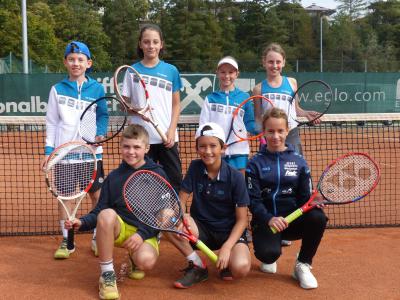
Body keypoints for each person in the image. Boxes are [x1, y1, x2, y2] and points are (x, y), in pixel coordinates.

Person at [65, 124, 165, 300]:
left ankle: (135, 260)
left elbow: (162, 215)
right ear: (121, 147)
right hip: (121, 228)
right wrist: (82, 222)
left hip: (146, 230)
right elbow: (99, 210)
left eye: (136, 147)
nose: (131, 152)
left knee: (146, 261)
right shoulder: (114, 177)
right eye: (126, 146)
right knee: (107, 214)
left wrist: (142, 234)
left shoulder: (158, 174)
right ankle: (107, 275)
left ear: (147, 148)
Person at [246, 108, 327, 289]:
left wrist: (312, 202)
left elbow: (304, 197)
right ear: (264, 132)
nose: (276, 136)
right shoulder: (254, 163)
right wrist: (269, 219)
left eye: (280, 131)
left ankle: (303, 265)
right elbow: (253, 201)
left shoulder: (299, 161)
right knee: (268, 256)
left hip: (292, 220)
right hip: (267, 222)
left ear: (287, 130)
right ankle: (271, 249)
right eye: (271, 131)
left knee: (318, 217)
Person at [164, 122, 251, 288]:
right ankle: (197, 265)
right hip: (201, 229)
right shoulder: (195, 167)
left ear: (223, 148)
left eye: (213, 146)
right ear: (197, 149)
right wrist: (181, 218)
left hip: (228, 232)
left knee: (240, 268)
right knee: (166, 218)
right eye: (202, 146)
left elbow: (242, 221)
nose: (208, 151)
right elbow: (181, 200)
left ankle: (227, 260)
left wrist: (226, 247)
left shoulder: (236, 177)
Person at [41, 41, 106, 259]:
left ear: (88, 63)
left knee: (97, 196)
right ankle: (67, 241)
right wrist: (49, 152)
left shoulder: (97, 89)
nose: (75, 63)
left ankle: (98, 237)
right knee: (65, 198)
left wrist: (100, 132)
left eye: (80, 60)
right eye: (71, 59)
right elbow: (51, 122)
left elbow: (102, 115)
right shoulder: (57, 90)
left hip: (91, 154)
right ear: (65, 62)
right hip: (65, 155)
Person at [253, 42, 319, 247]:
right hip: (268, 138)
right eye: (270, 62)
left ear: (283, 63)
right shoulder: (258, 88)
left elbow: (296, 109)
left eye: (278, 62)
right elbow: (257, 119)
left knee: (294, 181)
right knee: (269, 182)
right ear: (264, 62)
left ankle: (289, 224)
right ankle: (271, 223)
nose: (274, 65)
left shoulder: (291, 82)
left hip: (290, 135)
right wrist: (262, 135)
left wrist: (307, 113)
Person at [122, 23, 182, 193]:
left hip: (166, 138)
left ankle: (173, 217)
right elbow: (124, 105)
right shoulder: (132, 71)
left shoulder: (171, 70)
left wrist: (171, 131)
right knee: (139, 182)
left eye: (155, 42)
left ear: (161, 44)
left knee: (174, 180)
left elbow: (176, 104)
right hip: (140, 139)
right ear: (140, 44)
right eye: (147, 42)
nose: (151, 46)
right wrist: (137, 109)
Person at [199, 56, 257, 175]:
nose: (227, 76)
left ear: (237, 74)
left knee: (239, 187)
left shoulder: (244, 97)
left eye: (231, 72)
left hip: (239, 151)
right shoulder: (210, 99)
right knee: (217, 187)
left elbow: (250, 123)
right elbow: (204, 127)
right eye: (223, 72)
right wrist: (214, 145)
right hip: (215, 152)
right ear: (217, 73)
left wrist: (262, 131)